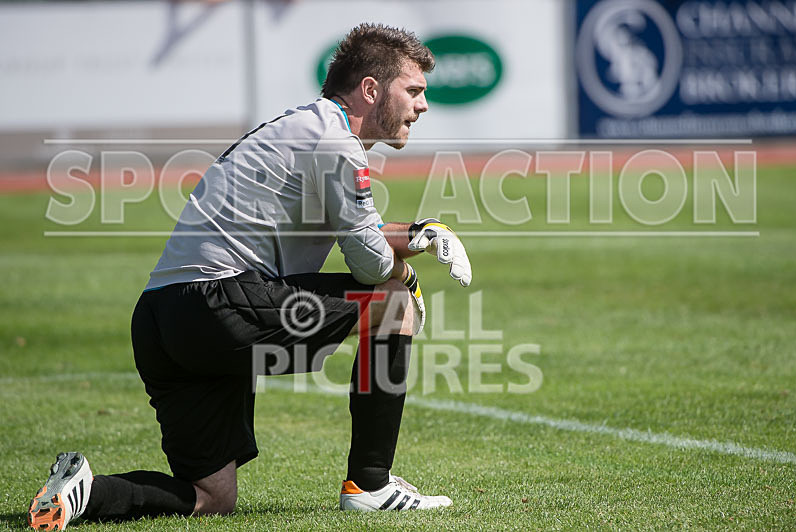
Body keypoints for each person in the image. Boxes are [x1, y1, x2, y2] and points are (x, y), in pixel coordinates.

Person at [27, 22, 472, 530]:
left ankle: (86, 493)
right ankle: (371, 485)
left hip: (161, 316)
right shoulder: (335, 142)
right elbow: (369, 263)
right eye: (413, 91)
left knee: (211, 496)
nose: (423, 105)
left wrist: (419, 234)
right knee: (393, 303)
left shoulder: (308, 129)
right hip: (219, 301)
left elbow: (361, 231)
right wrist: (408, 269)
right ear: (371, 89)